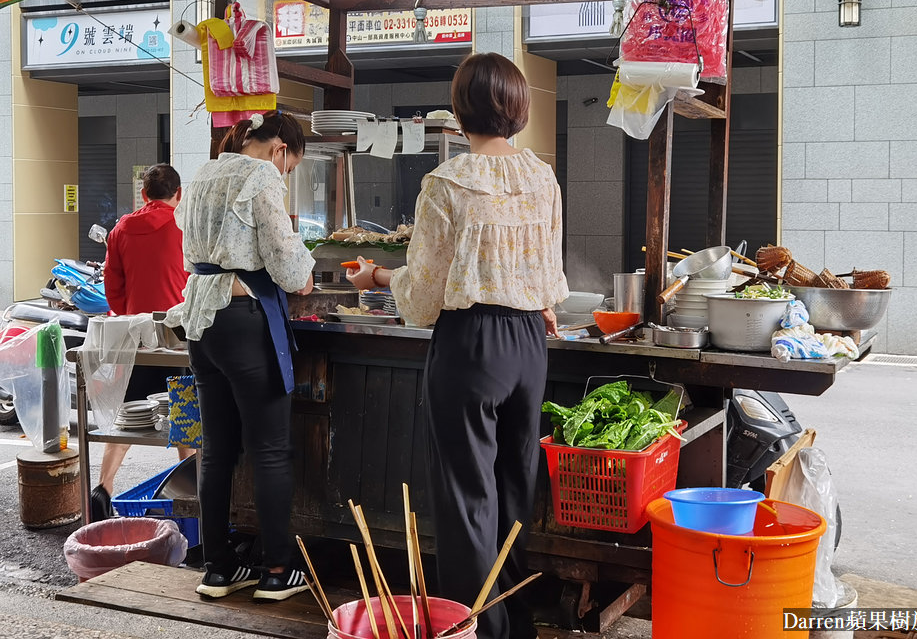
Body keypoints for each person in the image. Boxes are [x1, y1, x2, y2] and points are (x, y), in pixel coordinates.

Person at [347, 53, 569, 639]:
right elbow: (551, 275)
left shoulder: (446, 183)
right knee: (515, 486)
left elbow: (422, 295)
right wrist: (538, 302)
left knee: (468, 494)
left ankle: (477, 630)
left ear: (460, 110)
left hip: (472, 346)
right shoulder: (541, 176)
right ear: (518, 108)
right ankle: (518, 623)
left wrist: (375, 279)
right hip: (528, 344)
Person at [167, 110, 314, 602]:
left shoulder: (206, 171)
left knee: (217, 449)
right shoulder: (262, 174)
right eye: (290, 165)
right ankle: (276, 570)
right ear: (279, 151)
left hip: (201, 322)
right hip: (243, 319)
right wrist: (305, 274)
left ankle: (218, 568)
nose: (285, 174)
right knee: (270, 450)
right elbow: (287, 263)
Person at [92, 163, 192, 521]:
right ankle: (193, 498)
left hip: (137, 336)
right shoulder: (184, 225)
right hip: (178, 338)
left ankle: (103, 486)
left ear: (144, 195)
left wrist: (130, 313)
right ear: (178, 194)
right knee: (184, 414)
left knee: (130, 416)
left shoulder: (120, 229)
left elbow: (112, 286)